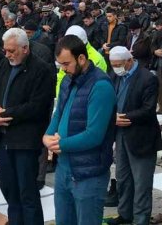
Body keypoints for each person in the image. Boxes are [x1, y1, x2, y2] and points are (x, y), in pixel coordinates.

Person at [0, 27, 55, 225]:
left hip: (25, 140)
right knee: (9, 188)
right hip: (4, 137)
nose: (7, 54)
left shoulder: (41, 70)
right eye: (5, 50)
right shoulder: (5, 64)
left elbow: (37, 106)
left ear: (25, 48)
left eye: (12, 51)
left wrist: (4, 114)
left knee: (27, 192)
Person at [44, 35, 115, 225]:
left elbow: (95, 135)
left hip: (88, 172)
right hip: (65, 169)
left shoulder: (100, 86)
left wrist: (61, 144)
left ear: (81, 58)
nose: (63, 69)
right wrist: (47, 136)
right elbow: (59, 113)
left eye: (66, 64)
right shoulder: (68, 80)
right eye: (60, 64)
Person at [106, 46, 162, 225]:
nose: (116, 68)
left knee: (141, 182)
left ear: (129, 61)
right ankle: (125, 214)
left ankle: (141, 219)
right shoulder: (114, 76)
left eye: (119, 64)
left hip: (141, 137)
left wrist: (126, 117)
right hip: (120, 135)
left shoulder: (148, 78)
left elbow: (148, 108)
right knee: (123, 178)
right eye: (113, 65)